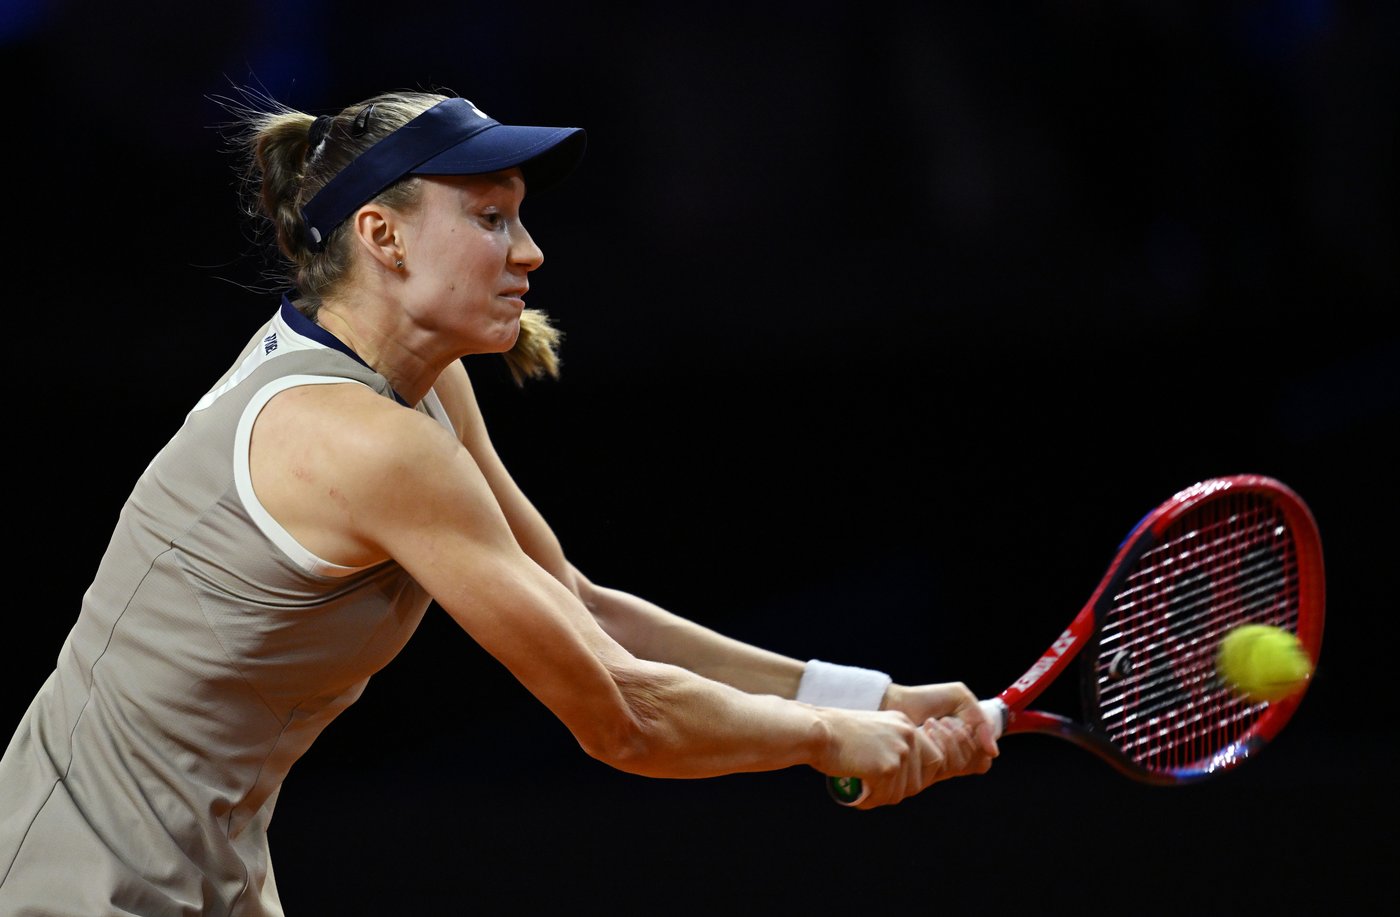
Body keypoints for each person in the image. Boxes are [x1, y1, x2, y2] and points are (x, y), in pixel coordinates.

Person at [0, 86, 999, 915]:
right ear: (380, 235)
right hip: (82, 882)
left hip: (198, 869)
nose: (528, 252)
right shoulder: (364, 440)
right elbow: (620, 716)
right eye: (489, 218)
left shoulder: (420, 382)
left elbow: (579, 602)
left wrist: (863, 698)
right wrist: (827, 741)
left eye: (518, 215)